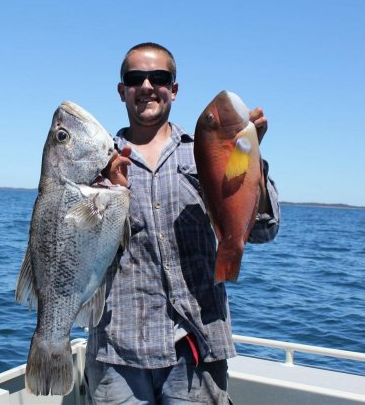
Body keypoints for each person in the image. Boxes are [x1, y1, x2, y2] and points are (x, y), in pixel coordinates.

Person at [85, 42, 280, 404]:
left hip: (196, 345)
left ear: (173, 89)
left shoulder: (208, 150)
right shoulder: (97, 163)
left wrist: (253, 160)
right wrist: (105, 196)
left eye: (158, 77)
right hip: (116, 350)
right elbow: (79, 253)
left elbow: (264, 231)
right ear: (121, 90)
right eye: (135, 78)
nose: (146, 86)